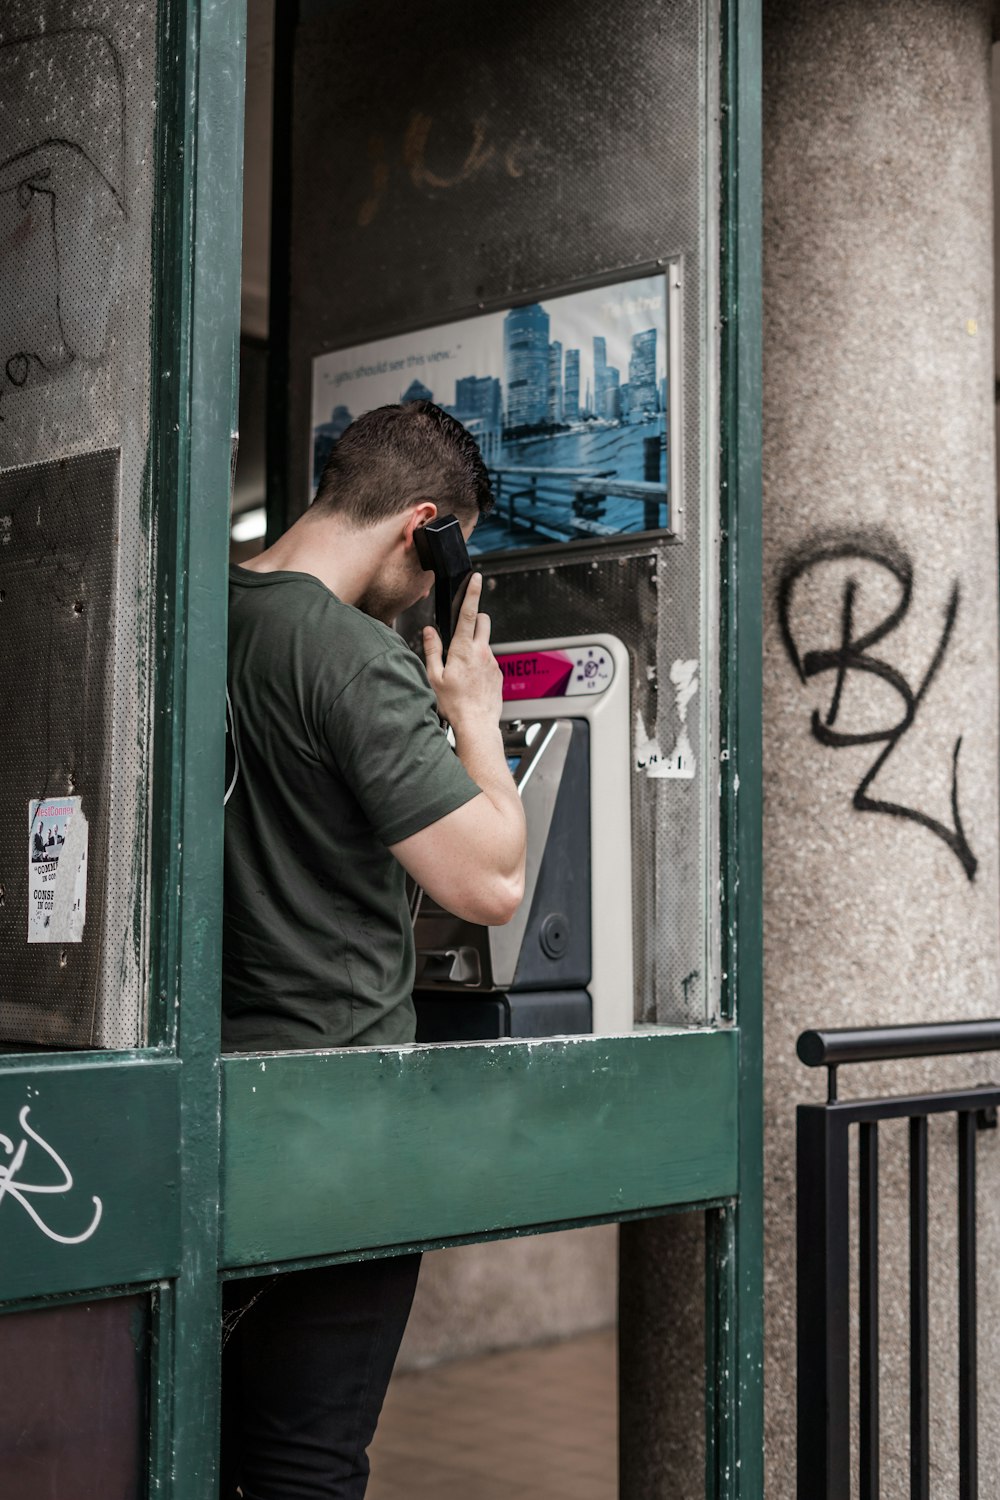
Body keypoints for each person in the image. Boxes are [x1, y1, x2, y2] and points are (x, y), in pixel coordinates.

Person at [220, 400, 527, 1499]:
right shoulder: (351, 657)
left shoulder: (196, 613)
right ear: (425, 527)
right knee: (305, 1458)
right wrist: (475, 720)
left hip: (201, 1098)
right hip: (334, 1120)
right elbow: (488, 881)